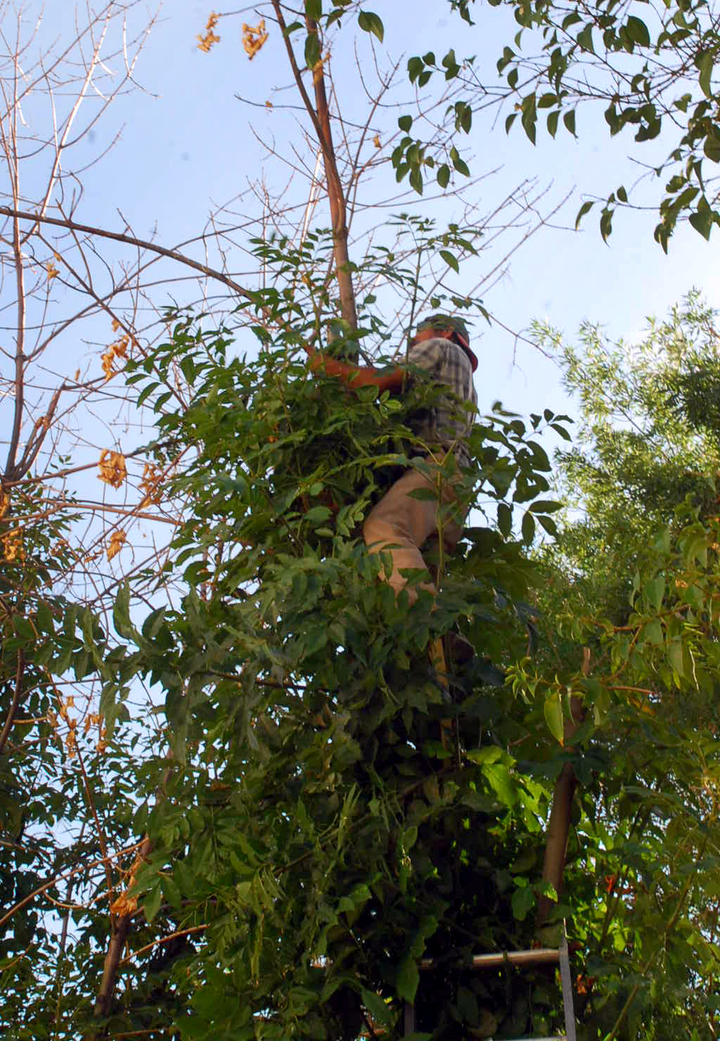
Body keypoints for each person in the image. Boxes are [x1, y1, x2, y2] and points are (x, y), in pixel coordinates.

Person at [305, 314, 478, 602]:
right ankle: (437, 638)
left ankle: (429, 621)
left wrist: (329, 367)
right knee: (416, 573)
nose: (413, 343)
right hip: (455, 486)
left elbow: (379, 382)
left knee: (384, 528)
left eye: (417, 336)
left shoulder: (441, 348)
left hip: (435, 471)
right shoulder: (465, 385)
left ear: (446, 332)